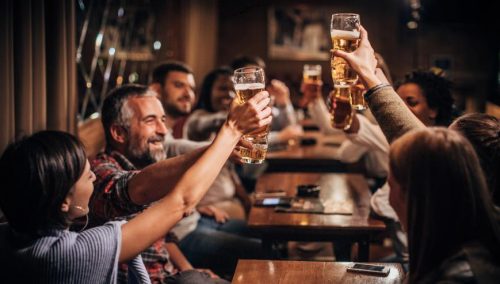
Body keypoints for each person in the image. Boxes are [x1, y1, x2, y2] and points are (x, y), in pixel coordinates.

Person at [0, 101, 267, 283]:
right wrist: (232, 129)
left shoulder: (12, 235)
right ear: (62, 202)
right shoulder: (70, 254)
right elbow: (180, 202)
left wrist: (219, 148)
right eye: (86, 174)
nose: (93, 174)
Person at [335, 25, 500, 281]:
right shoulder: (474, 226)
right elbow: (415, 140)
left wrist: (371, 76)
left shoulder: (463, 268)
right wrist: (371, 78)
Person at [91, 84, 271, 282]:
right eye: (150, 121)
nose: (162, 130)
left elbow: (164, 238)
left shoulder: (148, 161)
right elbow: (139, 188)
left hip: (173, 275)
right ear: (119, 133)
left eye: (163, 120)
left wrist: (190, 270)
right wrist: (230, 132)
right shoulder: (99, 173)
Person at [389, 128, 500, 283]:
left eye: (390, 186)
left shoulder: (457, 277)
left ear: (414, 196)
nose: (388, 200)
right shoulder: (465, 242)